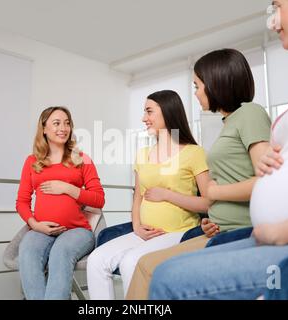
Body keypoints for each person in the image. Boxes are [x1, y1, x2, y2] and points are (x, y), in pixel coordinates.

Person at [149, 0, 288, 300]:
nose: (272, 19)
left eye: (277, 6)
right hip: (265, 231)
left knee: (167, 278)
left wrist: (282, 229)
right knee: (164, 271)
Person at [126, 49, 272, 299]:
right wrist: (211, 216)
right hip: (216, 228)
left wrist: (215, 193)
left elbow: (267, 180)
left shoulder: (250, 113)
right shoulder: (230, 121)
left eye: (197, 85)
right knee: (144, 266)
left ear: (216, 82)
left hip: (241, 230)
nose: (195, 93)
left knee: (151, 269)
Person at [87, 90, 210, 299]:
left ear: (168, 112)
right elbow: (137, 198)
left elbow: (208, 202)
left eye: (149, 111)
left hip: (178, 232)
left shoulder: (194, 153)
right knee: (96, 260)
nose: (144, 118)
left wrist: (167, 195)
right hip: (143, 232)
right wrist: (137, 226)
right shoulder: (142, 154)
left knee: (131, 262)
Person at [16, 106, 105, 300]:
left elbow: (99, 199)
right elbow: (22, 202)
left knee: (60, 252)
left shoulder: (82, 159)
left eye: (67, 123)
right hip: (40, 229)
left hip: (77, 231)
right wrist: (34, 225)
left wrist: (68, 188)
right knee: (27, 251)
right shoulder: (32, 161)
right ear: (44, 129)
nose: (63, 128)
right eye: (56, 123)